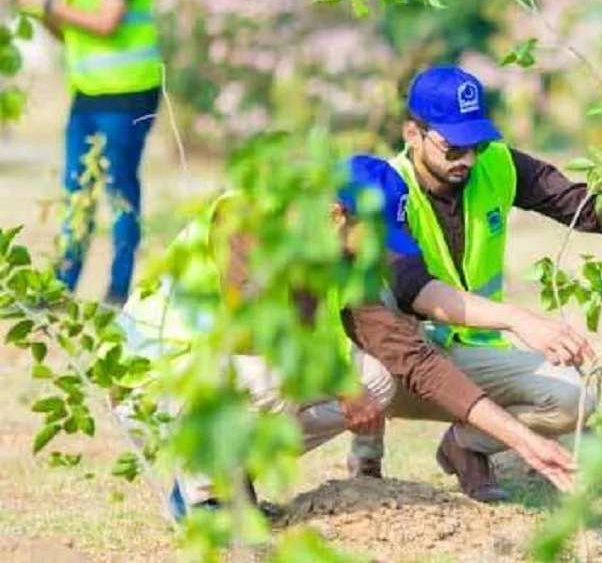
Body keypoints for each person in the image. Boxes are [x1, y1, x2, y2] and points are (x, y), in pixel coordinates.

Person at [116, 157, 577, 519]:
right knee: (273, 370)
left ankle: (226, 480)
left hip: (227, 376)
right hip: (155, 382)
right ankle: (203, 503)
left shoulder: (342, 259)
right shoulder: (246, 216)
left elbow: (417, 361)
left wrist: (525, 442)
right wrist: (338, 380)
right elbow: (253, 329)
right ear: (337, 214)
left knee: (376, 380)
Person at [345, 65, 602, 502]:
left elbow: (590, 212)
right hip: (399, 368)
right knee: (372, 325)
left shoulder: (497, 165)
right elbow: (410, 289)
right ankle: (366, 459)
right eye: (454, 147)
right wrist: (518, 320)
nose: (468, 160)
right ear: (412, 133)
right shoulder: (384, 188)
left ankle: (465, 447)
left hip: (469, 356)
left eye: (476, 143)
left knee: (575, 396)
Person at [9, 0, 165, 306]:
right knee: (76, 191)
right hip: (89, 96)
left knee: (120, 195)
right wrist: (41, 11)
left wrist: (50, 2)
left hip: (128, 96)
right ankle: (62, 289)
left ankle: (118, 291)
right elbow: (69, 32)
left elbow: (106, 23)